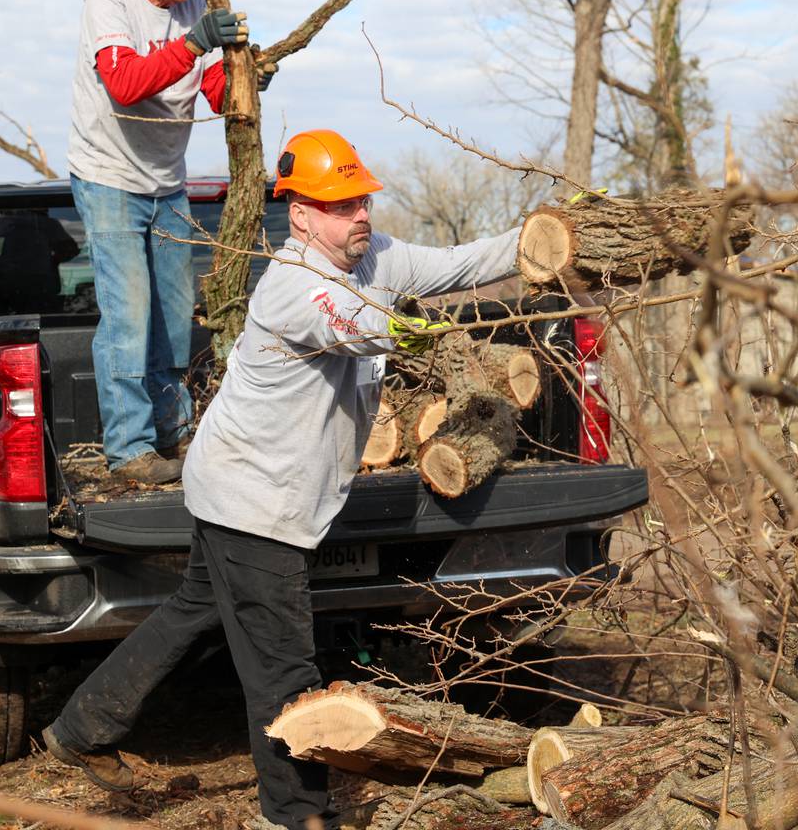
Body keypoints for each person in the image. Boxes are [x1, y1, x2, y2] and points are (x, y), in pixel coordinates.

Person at [42, 130, 522, 830]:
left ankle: (80, 730)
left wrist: (537, 239)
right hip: (252, 504)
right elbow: (359, 325)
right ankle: (295, 815)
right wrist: (422, 332)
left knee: (193, 611)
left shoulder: (374, 255)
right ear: (300, 215)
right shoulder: (295, 289)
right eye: (337, 205)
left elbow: (453, 264)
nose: (357, 215)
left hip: (240, 486)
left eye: (360, 199)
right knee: (283, 672)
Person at [69, 0, 273, 486]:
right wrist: (196, 43)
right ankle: (129, 451)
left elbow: (209, 92)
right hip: (109, 178)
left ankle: (175, 435)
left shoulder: (195, 11)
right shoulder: (109, 5)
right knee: (129, 319)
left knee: (175, 317)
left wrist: (248, 74)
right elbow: (127, 83)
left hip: (167, 184)